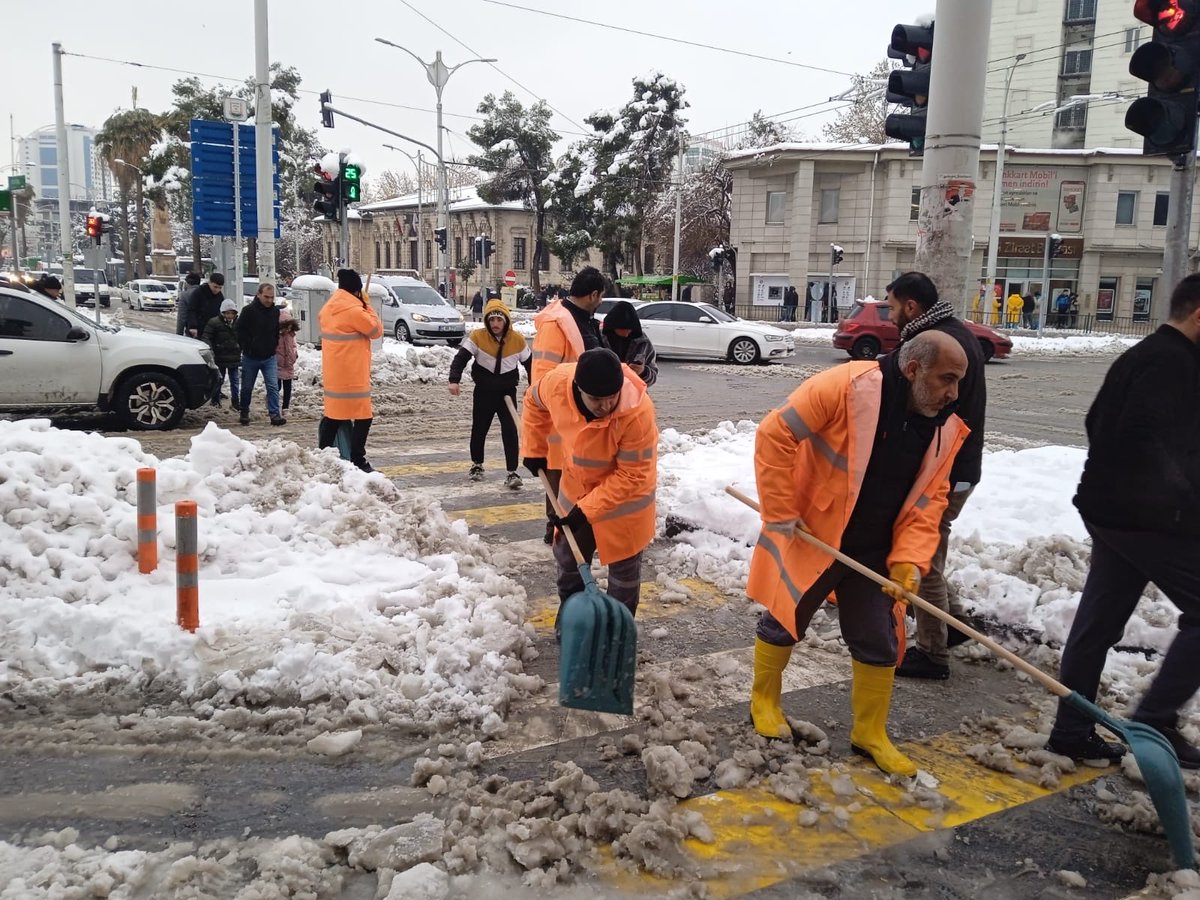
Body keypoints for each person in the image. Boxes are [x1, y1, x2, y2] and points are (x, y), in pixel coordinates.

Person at [747, 331, 969, 776]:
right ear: (913, 370)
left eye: (958, 381)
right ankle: (763, 700)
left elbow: (928, 503)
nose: (954, 393)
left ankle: (870, 733)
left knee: (878, 638)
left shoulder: (944, 429)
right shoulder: (845, 387)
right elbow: (775, 433)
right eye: (947, 379)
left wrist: (908, 560)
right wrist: (782, 509)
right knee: (786, 618)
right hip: (818, 537)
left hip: (874, 551)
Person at [1046, 274, 1200, 766]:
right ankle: (1154, 720)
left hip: (1112, 512)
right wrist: (1182, 495)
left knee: (1097, 625)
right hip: (1148, 518)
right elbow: (1146, 438)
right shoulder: (1173, 363)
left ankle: (1071, 732)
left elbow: (1097, 423)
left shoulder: (1145, 355)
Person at [883, 273, 988, 681]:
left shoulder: (938, 346)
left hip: (945, 470)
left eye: (892, 307)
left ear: (911, 306)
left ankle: (933, 652)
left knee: (922, 556)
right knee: (932, 549)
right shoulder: (954, 334)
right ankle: (953, 623)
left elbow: (933, 416)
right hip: (958, 466)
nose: (890, 315)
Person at [522, 348, 658, 619]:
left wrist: (586, 510)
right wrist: (534, 449)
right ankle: (573, 619)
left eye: (612, 398)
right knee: (568, 560)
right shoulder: (557, 385)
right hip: (576, 489)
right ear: (578, 388)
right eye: (596, 399)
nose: (605, 406)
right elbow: (533, 401)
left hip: (625, 502)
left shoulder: (637, 411)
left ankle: (617, 630)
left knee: (624, 577)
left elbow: (633, 475)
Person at [522, 266, 608, 544]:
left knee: (583, 476)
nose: (601, 302)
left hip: (589, 415)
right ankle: (557, 531)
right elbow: (541, 383)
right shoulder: (556, 324)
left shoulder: (587, 321)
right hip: (563, 419)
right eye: (601, 296)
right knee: (559, 477)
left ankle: (582, 527)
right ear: (593, 295)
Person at [448, 298, 532, 488]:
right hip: (484, 391)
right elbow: (461, 358)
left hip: (506, 393)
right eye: (492, 319)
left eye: (499, 320)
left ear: (506, 321)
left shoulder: (517, 340)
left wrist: (533, 385)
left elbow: (530, 364)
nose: (495, 323)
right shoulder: (478, 337)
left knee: (510, 431)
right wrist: (454, 380)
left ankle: (512, 472)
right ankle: (477, 465)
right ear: (487, 320)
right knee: (479, 428)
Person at [317, 269, 383, 472]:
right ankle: (358, 459)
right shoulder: (354, 311)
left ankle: (323, 455)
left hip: (334, 372)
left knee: (334, 416)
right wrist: (367, 306)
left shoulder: (329, 308)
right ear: (356, 291)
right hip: (352, 374)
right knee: (364, 416)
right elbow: (376, 330)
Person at [235, 282, 285, 427]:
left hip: (269, 356)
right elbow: (239, 330)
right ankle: (244, 412)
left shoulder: (275, 312)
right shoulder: (248, 311)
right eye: (266, 297)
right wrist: (247, 345)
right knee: (247, 387)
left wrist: (274, 343)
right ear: (259, 295)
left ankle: (274, 414)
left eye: (271, 297)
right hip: (251, 356)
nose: (269, 300)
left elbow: (275, 330)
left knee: (273, 386)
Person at [601, 300, 658, 387]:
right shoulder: (599, 339)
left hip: (633, 390)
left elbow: (653, 375)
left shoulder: (643, 342)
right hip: (604, 389)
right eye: (623, 329)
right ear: (613, 326)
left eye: (630, 329)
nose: (627, 333)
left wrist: (643, 372)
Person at [201, 298, 241, 408]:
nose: (230, 316)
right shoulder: (214, 323)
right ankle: (215, 400)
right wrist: (211, 350)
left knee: (235, 380)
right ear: (223, 313)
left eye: (232, 313)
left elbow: (243, 337)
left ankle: (235, 401)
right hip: (219, 356)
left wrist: (240, 347)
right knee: (219, 380)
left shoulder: (238, 323)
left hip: (234, 356)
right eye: (227, 313)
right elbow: (206, 337)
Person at [186, 273, 226, 338]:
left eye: (220, 288)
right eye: (215, 287)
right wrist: (193, 326)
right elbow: (192, 310)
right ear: (209, 283)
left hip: (211, 330)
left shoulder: (220, 297)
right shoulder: (199, 292)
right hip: (197, 329)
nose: (217, 290)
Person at [276, 308, 299, 413]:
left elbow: (293, 345)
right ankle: (274, 404)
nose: (289, 328)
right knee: (276, 386)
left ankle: (286, 406)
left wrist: (295, 354)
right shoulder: (277, 335)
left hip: (288, 363)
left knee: (287, 387)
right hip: (278, 363)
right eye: (287, 326)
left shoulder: (291, 334)